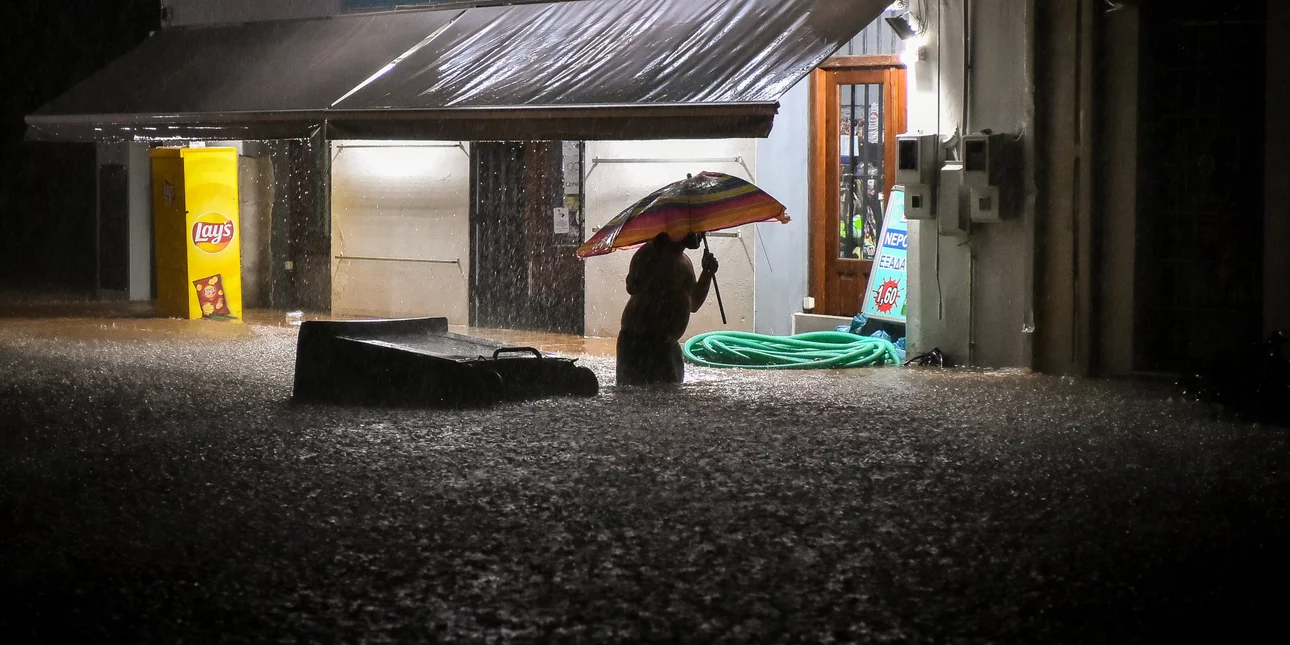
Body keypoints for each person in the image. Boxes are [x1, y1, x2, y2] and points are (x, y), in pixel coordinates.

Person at [617, 232, 719, 385]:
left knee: (669, 402)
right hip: (638, 343)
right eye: (696, 229)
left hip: (668, 345)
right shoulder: (648, 254)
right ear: (679, 227)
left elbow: (694, 304)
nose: (701, 234)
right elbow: (632, 287)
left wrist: (707, 273)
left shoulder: (685, 262)